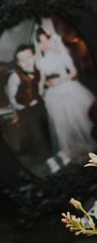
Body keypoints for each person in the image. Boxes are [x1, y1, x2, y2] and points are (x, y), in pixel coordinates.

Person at [35, 26, 96, 163]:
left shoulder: (61, 55)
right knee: (63, 124)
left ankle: (89, 148)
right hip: (54, 94)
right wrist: (48, 84)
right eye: (41, 42)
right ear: (38, 45)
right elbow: (42, 82)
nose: (45, 44)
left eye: (46, 40)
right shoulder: (40, 63)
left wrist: (61, 80)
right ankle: (71, 152)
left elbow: (73, 72)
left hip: (68, 87)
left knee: (77, 118)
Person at [3, 44, 57, 174]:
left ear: (34, 56)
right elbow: (12, 98)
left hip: (39, 106)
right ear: (18, 63)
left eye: (28, 57)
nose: (26, 62)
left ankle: (52, 157)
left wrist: (42, 97)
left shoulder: (39, 71)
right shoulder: (15, 77)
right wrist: (23, 107)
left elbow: (41, 88)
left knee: (47, 130)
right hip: (25, 111)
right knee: (36, 136)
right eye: (22, 60)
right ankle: (44, 163)